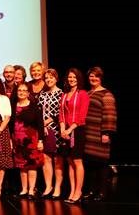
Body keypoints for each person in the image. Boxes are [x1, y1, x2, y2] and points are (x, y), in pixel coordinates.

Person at [83, 67, 117, 202]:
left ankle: (102, 192)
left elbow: (110, 115)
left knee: (101, 164)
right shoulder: (87, 93)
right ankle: (92, 190)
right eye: (91, 76)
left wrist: (106, 133)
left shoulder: (106, 94)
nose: (93, 79)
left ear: (101, 78)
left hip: (99, 134)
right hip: (87, 134)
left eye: (96, 76)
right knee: (90, 164)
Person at [59, 68, 90, 204]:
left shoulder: (82, 94)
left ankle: (79, 191)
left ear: (79, 79)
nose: (72, 79)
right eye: (70, 77)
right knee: (69, 161)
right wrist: (62, 129)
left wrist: (69, 129)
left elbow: (82, 116)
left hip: (77, 130)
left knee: (77, 160)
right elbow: (61, 114)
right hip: (65, 131)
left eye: (74, 77)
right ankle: (72, 191)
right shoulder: (65, 94)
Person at [11, 82, 44, 198]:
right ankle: (24, 189)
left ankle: (31, 190)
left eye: (24, 90)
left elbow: (40, 125)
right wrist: (11, 139)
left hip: (31, 140)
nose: (21, 92)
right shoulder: (13, 106)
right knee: (22, 166)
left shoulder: (34, 107)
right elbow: (10, 125)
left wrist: (40, 141)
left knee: (31, 165)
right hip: (17, 141)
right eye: (19, 90)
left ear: (28, 93)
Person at [37, 68, 63, 198]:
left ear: (56, 78)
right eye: (46, 78)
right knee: (46, 158)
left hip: (56, 130)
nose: (48, 79)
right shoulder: (42, 94)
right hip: (43, 131)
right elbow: (38, 111)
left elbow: (60, 112)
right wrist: (41, 125)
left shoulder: (61, 94)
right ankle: (48, 186)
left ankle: (57, 187)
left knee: (57, 159)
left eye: (51, 77)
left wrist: (47, 122)